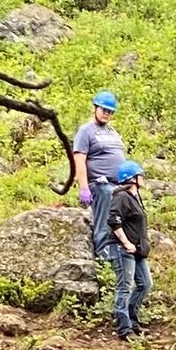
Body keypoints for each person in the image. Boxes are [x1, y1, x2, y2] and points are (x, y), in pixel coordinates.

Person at [73, 91, 126, 260]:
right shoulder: (86, 131)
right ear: (96, 108)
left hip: (118, 184)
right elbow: (79, 159)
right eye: (104, 110)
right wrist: (84, 187)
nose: (107, 114)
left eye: (110, 112)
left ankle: (118, 252)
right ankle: (102, 252)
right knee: (103, 220)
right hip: (101, 184)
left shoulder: (112, 132)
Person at [107, 161, 152, 343]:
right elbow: (113, 220)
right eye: (139, 175)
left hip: (137, 250)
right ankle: (123, 327)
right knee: (124, 287)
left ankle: (132, 320)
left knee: (145, 284)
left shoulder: (135, 197)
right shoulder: (121, 197)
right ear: (131, 179)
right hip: (124, 249)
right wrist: (126, 242)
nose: (142, 178)